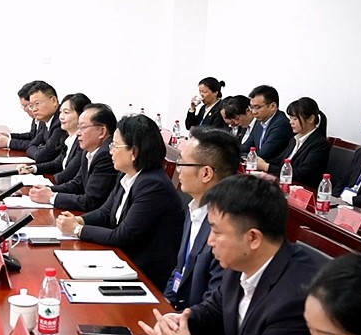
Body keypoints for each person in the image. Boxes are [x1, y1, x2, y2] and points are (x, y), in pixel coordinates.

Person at [138, 175, 322, 335]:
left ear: (253, 238)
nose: (209, 241)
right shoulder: (240, 261)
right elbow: (215, 309)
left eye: (217, 232)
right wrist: (178, 323)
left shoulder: (296, 295)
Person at [56, 114, 184, 289]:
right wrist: (79, 220)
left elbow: (122, 236)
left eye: (115, 145)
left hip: (145, 277)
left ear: (134, 152)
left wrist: (77, 229)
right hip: (122, 262)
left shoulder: (153, 185)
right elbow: (105, 212)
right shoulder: (127, 174)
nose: (110, 151)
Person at [164, 127, 240, 310]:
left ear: (206, 173)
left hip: (199, 320)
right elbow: (180, 269)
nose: (178, 170)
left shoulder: (227, 226)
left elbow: (216, 302)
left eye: (182, 163)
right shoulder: (194, 208)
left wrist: (180, 318)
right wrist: (165, 302)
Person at [28, 103, 120, 213]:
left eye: (83, 127)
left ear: (102, 131)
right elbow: (77, 184)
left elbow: (91, 201)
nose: (78, 133)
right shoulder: (89, 150)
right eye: (78, 127)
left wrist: (52, 197)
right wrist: (47, 189)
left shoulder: (106, 155)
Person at [258, 97, 330, 188]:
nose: (290, 122)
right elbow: (280, 160)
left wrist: (266, 167)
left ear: (311, 119)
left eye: (295, 119)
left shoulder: (319, 144)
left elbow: (301, 174)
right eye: (290, 118)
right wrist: (261, 161)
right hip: (286, 184)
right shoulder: (294, 139)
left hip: (303, 189)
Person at [19, 93, 91, 181]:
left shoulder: (83, 143)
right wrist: (32, 169)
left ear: (82, 116)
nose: (61, 117)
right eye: (60, 112)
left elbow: (66, 175)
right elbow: (56, 164)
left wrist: (47, 183)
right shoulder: (69, 139)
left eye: (66, 112)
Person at [0, 81, 67, 163]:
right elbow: (31, 145)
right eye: (31, 105)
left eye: (37, 103)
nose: (34, 109)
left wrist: (9, 142)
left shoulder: (61, 122)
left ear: (54, 101)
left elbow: (41, 156)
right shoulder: (46, 120)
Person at [247, 85, 292, 161]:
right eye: (251, 107)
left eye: (257, 107)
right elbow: (247, 146)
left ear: (273, 106)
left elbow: (264, 154)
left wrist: (248, 156)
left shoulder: (282, 124)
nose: (253, 112)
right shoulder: (259, 121)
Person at [0, 80, 42, 150]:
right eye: (23, 106)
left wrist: (9, 142)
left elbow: (38, 145)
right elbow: (32, 136)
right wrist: (9, 136)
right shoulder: (36, 118)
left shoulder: (46, 119)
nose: (25, 110)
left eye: (26, 106)